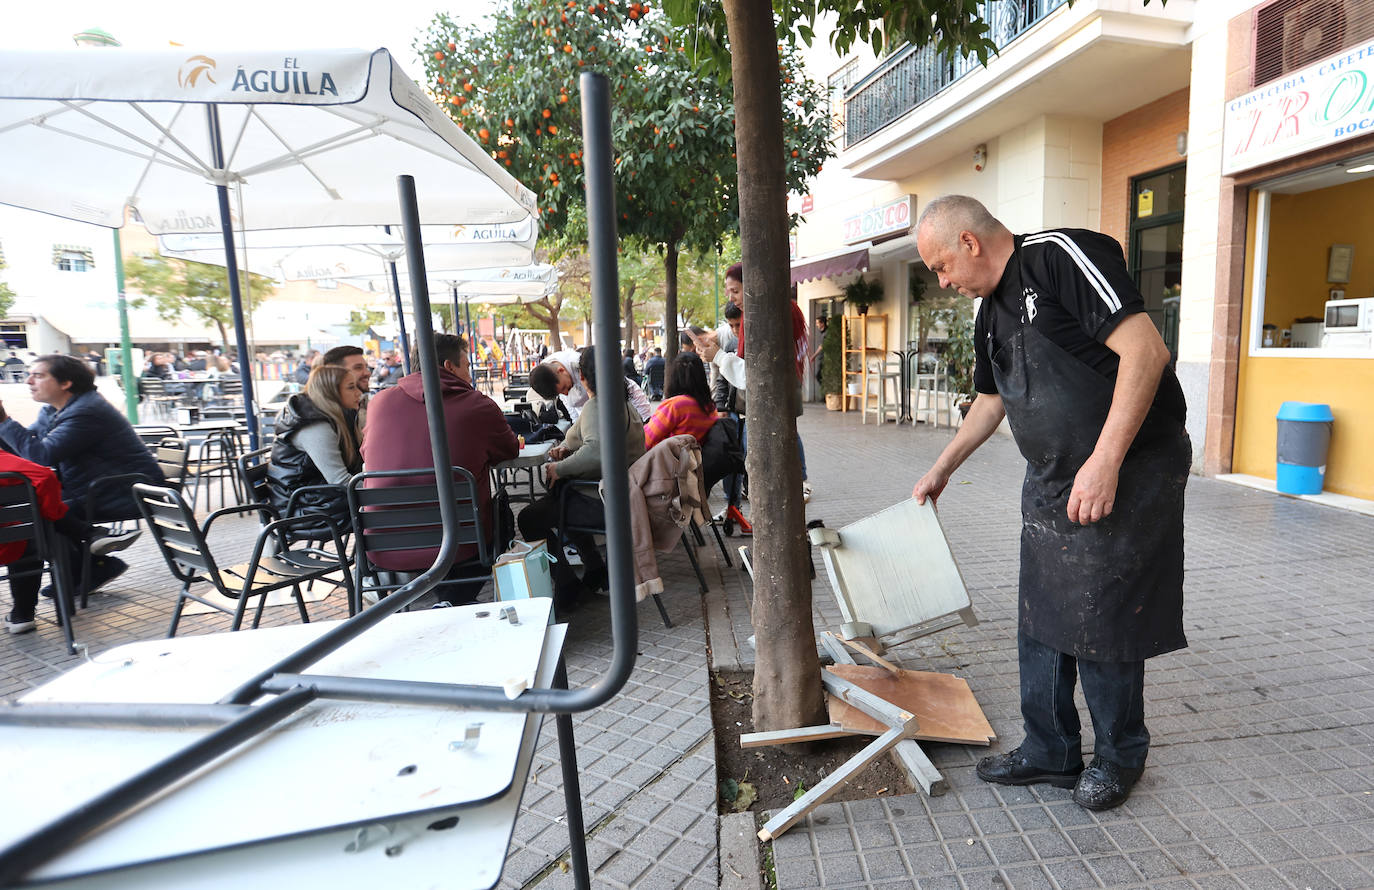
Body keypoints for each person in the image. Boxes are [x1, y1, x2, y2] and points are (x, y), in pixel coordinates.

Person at [910, 195, 1189, 812]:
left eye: (940, 265)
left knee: (1103, 615)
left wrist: (1106, 461)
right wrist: (940, 469)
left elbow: (1146, 352)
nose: (942, 280)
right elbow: (991, 401)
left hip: (1131, 465)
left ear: (969, 242)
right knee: (1041, 611)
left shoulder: (1060, 257)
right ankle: (1051, 749)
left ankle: (1119, 757)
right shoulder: (989, 316)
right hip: (1054, 474)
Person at [362, 334, 518, 604]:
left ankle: (438, 600)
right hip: (460, 545)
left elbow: (365, 453)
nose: (469, 375)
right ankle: (453, 601)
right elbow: (509, 450)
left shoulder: (378, 404)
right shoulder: (478, 405)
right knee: (502, 518)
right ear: (449, 367)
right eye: (467, 366)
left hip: (386, 546)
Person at [0, 354, 162, 594]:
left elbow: (42, 455)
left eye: (39, 375)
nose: (28, 381)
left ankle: (86, 570)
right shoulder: (53, 410)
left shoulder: (87, 412)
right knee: (41, 507)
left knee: (39, 513)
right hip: (93, 488)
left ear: (66, 383)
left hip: (125, 491)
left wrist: (3, 421)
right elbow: (23, 447)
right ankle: (91, 563)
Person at [517, 347, 645, 609]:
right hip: (623, 495)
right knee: (557, 500)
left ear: (582, 377)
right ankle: (595, 567)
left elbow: (595, 452)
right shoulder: (622, 403)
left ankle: (567, 583)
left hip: (603, 502)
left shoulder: (598, 407)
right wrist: (567, 446)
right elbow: (586, 438)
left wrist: (559, 469)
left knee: (529, 517)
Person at [266, 364, 364, 537]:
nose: (359, 393)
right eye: (351, 387)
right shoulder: (316, 427)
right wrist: (380, 490)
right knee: (380, 509)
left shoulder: (332, 415)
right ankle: (376, 562)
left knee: (382, 504)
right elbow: (340, 480)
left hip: (314, 498)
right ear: (330, 392)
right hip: (301, 509)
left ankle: (372, 561)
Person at [530, 348, 654, 423]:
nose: (566, 394)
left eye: (564, 388)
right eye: (561, 393)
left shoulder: (580, 363)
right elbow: (573, 410)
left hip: (627, 402)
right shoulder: (549, 373)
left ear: (561, 370)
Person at [643, 352, 716, 452]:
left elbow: (646, 440)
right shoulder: (710, 407)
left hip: (668, 464)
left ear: (674, 376)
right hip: (696, 464)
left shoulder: (676, 406)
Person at [321, 344, 371, 425]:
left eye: (366, 367)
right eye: (358, 368)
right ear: (335, 372)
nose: (368, 373)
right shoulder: (324, 419)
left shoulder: (361, 403)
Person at [809, 315, 829, 390]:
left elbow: (822, 346)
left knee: (819, 376)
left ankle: (825, 393)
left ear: (822, 323)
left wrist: (813, 356)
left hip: (825, 358)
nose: (816, 325)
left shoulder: (826, 333)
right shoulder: (823, 332)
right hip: (823, 357)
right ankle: (825, 394)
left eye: (817, 323)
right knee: (821, 376)